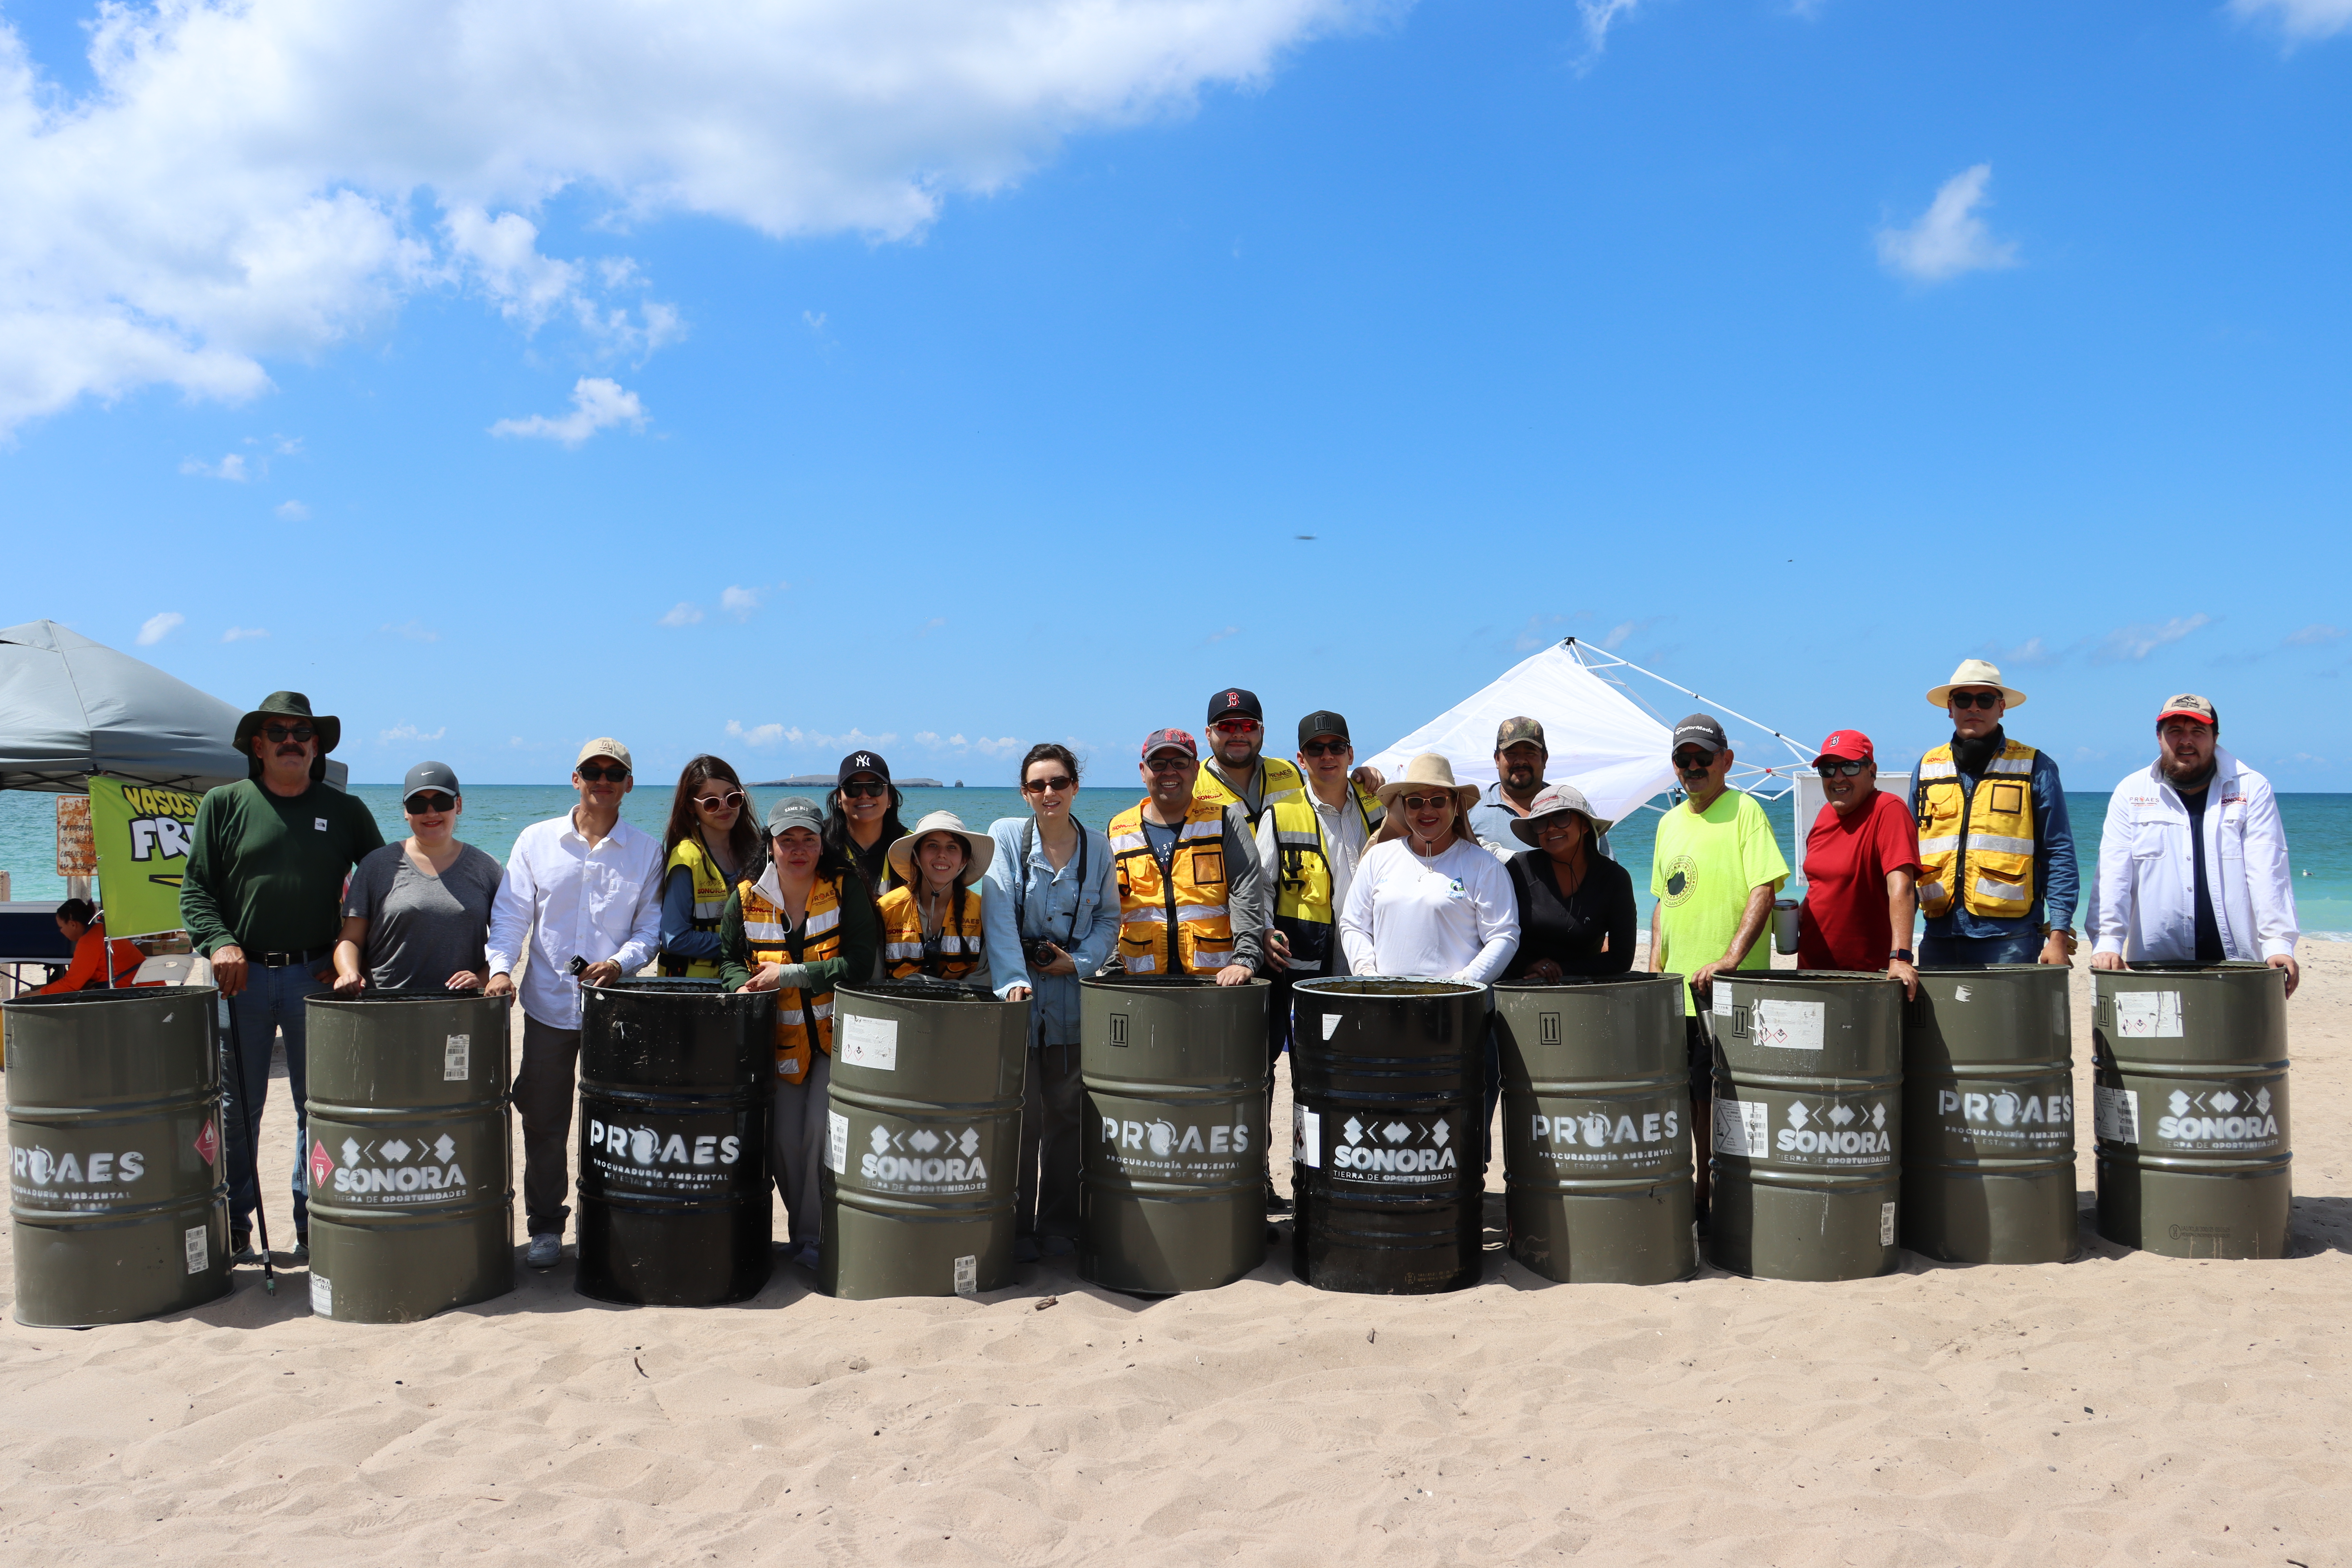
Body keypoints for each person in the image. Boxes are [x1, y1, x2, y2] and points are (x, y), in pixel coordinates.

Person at [180, 690, 386, 1265]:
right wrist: (220, 942)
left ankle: (314, 1222)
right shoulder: (223, 804)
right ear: (258, 745)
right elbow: (196, 891)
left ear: (317, 747)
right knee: (235, 1112)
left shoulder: (346, 811)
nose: (291, 741)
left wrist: (351, 954)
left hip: (316, 980)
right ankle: (234, 1225)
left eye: (302, 734)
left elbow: (382, 889)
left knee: (318, 1110)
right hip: (238, 980)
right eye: (278, 732)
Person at [484, 740, 665, 1271]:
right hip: (547, 1008)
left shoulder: (647, 851)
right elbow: (511, 916)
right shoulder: (535, 841)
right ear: (576, 778)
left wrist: (620, 963)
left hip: (616, 1011)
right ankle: (545, 1226)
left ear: (629, 784)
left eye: (614, 772)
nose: (602, 780)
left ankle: (612, 1223)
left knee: (618, 1124)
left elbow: (650, 930)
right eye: (593, 771)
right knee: (543, 1120)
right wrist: (500, 969)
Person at [719, 796, 881, 1267]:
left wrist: (789, 975)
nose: (798, 849)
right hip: (780, 1043)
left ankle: (813, 1237)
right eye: (786, 840)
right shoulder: (745, 897)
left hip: (837, 1039)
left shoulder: (845, 888)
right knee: (785, 1142)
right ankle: (803, 1230)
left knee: (818, 1132)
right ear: (770, 845)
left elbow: (859, 963)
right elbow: (729, 959)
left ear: (821, 843)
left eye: (808, 839)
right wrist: (742, 986)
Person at [1341, 753, 1519, 1160]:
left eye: (1438, 800)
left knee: (1457, 1129)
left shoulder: (1482, 865)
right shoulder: (1379, 859)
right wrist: (1370, 976)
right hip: (1387, 1017)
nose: (1427, 810)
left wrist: (1461, 986)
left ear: (1456, 806)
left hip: (1460, 1021)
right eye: (1416, 801)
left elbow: (1505, 934)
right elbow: (1353, 925)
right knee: (1390, 1127)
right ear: (1402, 807)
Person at [1647, 714, 1789, 1217]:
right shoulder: (1667, 822)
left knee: (1718, 1096)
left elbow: (1765, 887)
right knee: (1686, 1093)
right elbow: (1663, 903)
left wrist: (1731, 958)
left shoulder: (1746, 810)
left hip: (1728, 991)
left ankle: (1709, 1194)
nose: (1693, 767)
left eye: (1702, 758)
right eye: (1683, 759)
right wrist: (1655, 971)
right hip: (1678, 989)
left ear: (1726, 761)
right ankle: (1698, 1186)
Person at [983, 743, 1120, 1262]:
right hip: (1016, 1002)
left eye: (1059, 782)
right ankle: (1015, 1229)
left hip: (1071, 1001)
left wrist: (1078, 963)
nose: (1049, 793)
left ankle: (1060, 1226)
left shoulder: (1098, 848)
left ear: (1075, 788)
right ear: (1024, 792)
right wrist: (1013, 981)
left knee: (1067, 1119)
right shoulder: (1005, 837)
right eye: (1038, 785)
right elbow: (998, 913)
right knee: (1019, 1119)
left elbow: (1109, 920)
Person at [1254, 710, 1384, 1211]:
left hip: (1367, 966)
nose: (1327, 756)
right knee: (1287, 1075)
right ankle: (1280, 1179)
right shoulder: (1280, 813)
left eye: (1336, 747)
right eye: (1316, 749)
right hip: (1301, 970)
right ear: (1301, 758)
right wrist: (1265, 932)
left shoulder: (1379, 806)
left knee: (1360, 1075)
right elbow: (1261, 888)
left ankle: (1352, 1175)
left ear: (1351, 754)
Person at [2088, 694, 2300, 996]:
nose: (2186, 741)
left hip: (2238, 960)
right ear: (2159, 737)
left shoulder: (2251, 787)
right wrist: (2108, 942)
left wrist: (2278, 945)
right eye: (2175, 731)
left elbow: (2268, 869)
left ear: (2215, 737)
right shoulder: (2131, 791)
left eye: (2198, 731)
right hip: (2154, 960)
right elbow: (2114, 873)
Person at [1911, 659, 2079, 969]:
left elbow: (2058, 853)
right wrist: (1898, 943)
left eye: (1985, 699)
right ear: (1950, 707)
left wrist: (2058, 934)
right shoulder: (1927, 768)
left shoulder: (2036, 766)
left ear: (2001, 708)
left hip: (2011, 938)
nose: (1974, 707)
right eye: (1964, 699)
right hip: (1938, 935)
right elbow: (1906, 856)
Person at [331, 761, 504, 995]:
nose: (431, 813)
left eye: (442, 802)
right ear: (406, 811)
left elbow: (507, 940)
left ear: (459, 805)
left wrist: (482, 978)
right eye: (418, 804)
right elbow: (351, 938)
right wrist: (349, 972)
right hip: (387, 1002)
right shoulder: (376, 865)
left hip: (463, 1004)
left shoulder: (488, 868)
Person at [1108, 729, 1266, 984]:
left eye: (1180, 763)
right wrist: (1111, 967)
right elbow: (1107, 909)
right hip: (1138, 981)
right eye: (1158, 764)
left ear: (1196, 769)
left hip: (1216, 981)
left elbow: (1246, 896)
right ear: (1143, 771)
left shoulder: (1225, 822)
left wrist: (1245, 960)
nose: (1169, 772)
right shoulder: (1118, 830)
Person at [1795, 731, 1921, 996]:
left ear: (1872, 772)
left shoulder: (1888, 809)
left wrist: (1901, 958)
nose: (1838, 777)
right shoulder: (1824, 815)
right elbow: (1824, 886)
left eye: (1850, 767)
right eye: (1829, 769)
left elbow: (1902, 888)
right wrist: (1797, 915)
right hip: (1810, 972)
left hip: (1864, 976)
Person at [1502, 784, 1635, 980]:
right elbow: (1492, 936)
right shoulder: (1519, 869)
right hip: (1518, 986)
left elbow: (1621, 958)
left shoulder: (1614, 878)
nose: (1551, 828)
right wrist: (1526, 965)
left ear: (1585, 825)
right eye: (1541, 822)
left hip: (1584, 991)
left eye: (1562, 818)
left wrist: (1559, 971)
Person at [658, 755, 760, 979]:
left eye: (732, 798)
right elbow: (675, 938)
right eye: (711, 802)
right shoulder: (687, 859)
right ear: (691, 807)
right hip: (697, 989)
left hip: (745, 984)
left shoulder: (757, 853)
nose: (725, 807)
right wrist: (743, 945)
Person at [1468, 716, 1614, 863]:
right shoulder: (1470, 810)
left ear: (1544, 759)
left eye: (1530, 753)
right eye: (1511, 753)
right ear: (1497, 759)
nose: (1521, 761)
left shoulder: (1572, 806)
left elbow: (1606, 868)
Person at [879, 811, 993, 980]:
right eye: (932, 846)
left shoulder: (983, 912)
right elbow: (873, 976)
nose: (942, 854)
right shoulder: (887, 909)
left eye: (952, 847)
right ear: (916, 857)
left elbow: (985, 977)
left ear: (964, 861)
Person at [1192, 688, 1308, 828]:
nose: (1239, 734)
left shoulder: (1292, 774)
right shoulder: (1191, 786)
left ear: (1262, 732)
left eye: (1249, 726)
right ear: (1209, 735)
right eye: (1227, 726)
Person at [825, 750, 908, 898]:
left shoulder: (911, 846)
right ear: (839, 798)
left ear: (890, 797)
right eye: (853, 788)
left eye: (875, 787)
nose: (864, 795)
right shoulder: (818, 843)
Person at [31, 898, 144, 994]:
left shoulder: (89, 942)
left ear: (73, 924)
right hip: (144, 983)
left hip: (132, 989)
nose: (61, 931)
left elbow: (71, 984)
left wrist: (33, 994)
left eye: (61, 927)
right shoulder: (103, 930)